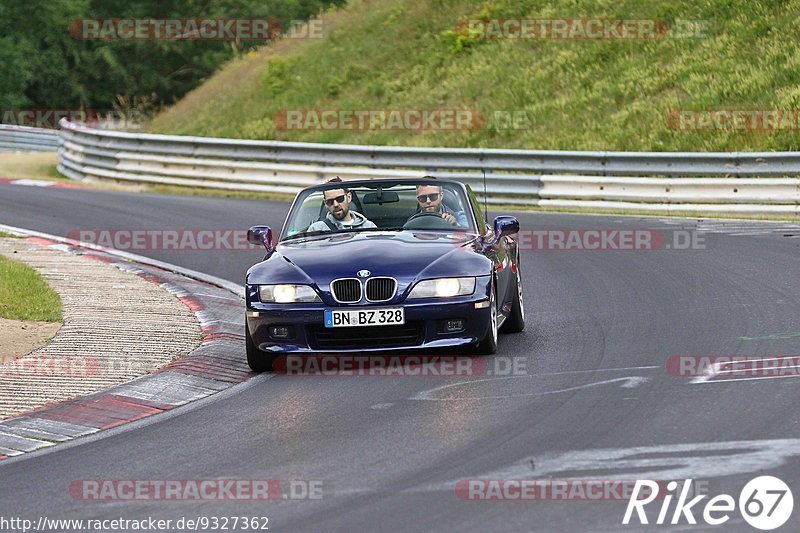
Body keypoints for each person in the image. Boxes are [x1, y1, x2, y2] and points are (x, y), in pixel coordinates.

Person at [306, 179, 377, 232]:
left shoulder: (369, 227)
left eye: (340, 199)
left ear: (349, 197)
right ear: (325, 204)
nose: (335, 204)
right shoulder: (316, 230)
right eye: (330, 201)